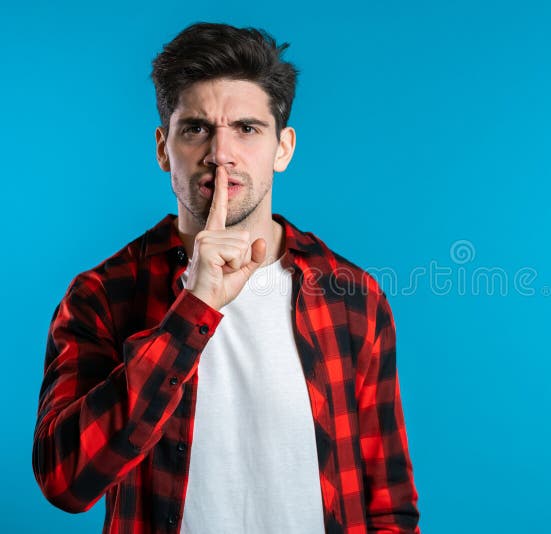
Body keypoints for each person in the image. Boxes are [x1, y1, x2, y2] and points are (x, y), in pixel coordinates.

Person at [32, 22, 420, 534]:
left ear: (283, 148)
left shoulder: (352, 297)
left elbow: (387, 502)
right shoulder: (102, 295)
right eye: (196, 128)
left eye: (247, 128)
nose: (221, 152)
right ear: (163, 148)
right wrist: (195, 308)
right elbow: (65, 482)